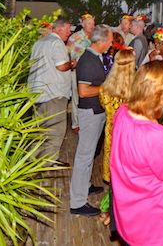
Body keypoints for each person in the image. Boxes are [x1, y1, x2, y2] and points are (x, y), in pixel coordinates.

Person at [111, 61, 163, 246]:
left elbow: (139, 154)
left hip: (129, 215)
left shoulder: (123, 112)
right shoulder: (154, 135)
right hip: (153, 224)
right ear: (158, 93)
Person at [69, 24, 113, 216]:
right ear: (101, 41)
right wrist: (108, 89)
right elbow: (84, 91)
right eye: (110, 41)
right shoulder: (88, 60)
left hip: (96, 112)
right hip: (90, 114)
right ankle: (77, 203)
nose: (111, 45)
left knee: (88, 157)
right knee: (84, 157)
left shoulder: (95, 57)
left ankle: (84, 186)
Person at [27, 18, 74, 168]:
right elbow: (61, 66)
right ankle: (49, 160)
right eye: (67, 29)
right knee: (56, 129)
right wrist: (72, 63)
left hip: (37, 92)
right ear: (59, 29)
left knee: (39, 129)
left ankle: (30, 160)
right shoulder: (57, 43)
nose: (69, 32)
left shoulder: (39, 42)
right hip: (53, 93)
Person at [98, 48, 135, 226]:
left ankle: (108, 209)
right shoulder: (137, 89)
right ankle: (117, 212)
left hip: (112, 135)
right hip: (130, 136)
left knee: (115, 177)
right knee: (129, 177)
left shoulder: (105, 88)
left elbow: (104, 107)